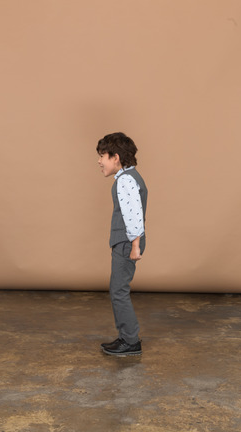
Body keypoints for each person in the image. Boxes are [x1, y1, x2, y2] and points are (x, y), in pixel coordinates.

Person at [96, 132, 148, 356]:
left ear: (115, 157)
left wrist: (135, 246)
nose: (99, 161)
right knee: (118, 290)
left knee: (118, 291)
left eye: (102, 156)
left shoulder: (125, 181)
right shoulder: (129, 177)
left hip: (126, 243)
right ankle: (125, 337)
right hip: (127, 242)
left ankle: (130, 341)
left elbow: (134, 215)